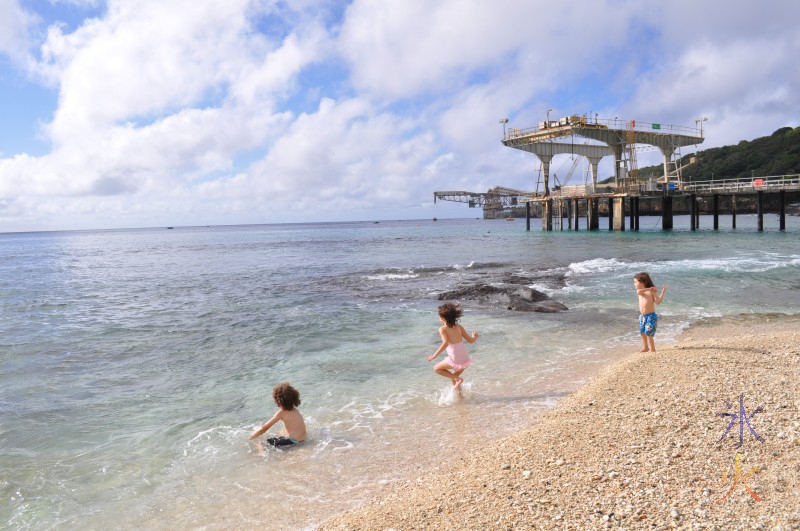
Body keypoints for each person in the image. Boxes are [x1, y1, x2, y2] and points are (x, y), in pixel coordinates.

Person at [426, 303, 479, 389]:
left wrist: (433, 356)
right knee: (453, 378)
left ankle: (458, 379)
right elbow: (470, 341)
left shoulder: (442, 329)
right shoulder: (459, 327)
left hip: (455, 358)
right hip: (464, 357)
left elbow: (445, 343)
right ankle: (460, 398)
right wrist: (474, 337)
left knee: (437, 369)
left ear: (442, 318)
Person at [633, 272, 667, 352]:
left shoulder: (652, 292)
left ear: (643, 282)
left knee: (648, 332)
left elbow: (657, 302)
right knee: (642, 332)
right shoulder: (640, 291)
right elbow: (639, 292)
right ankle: (645, 347)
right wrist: (650, 288)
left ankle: (652, 349)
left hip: (651, 316)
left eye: (635, 282)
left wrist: (662, 292)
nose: (634, 284)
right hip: (643, 316)